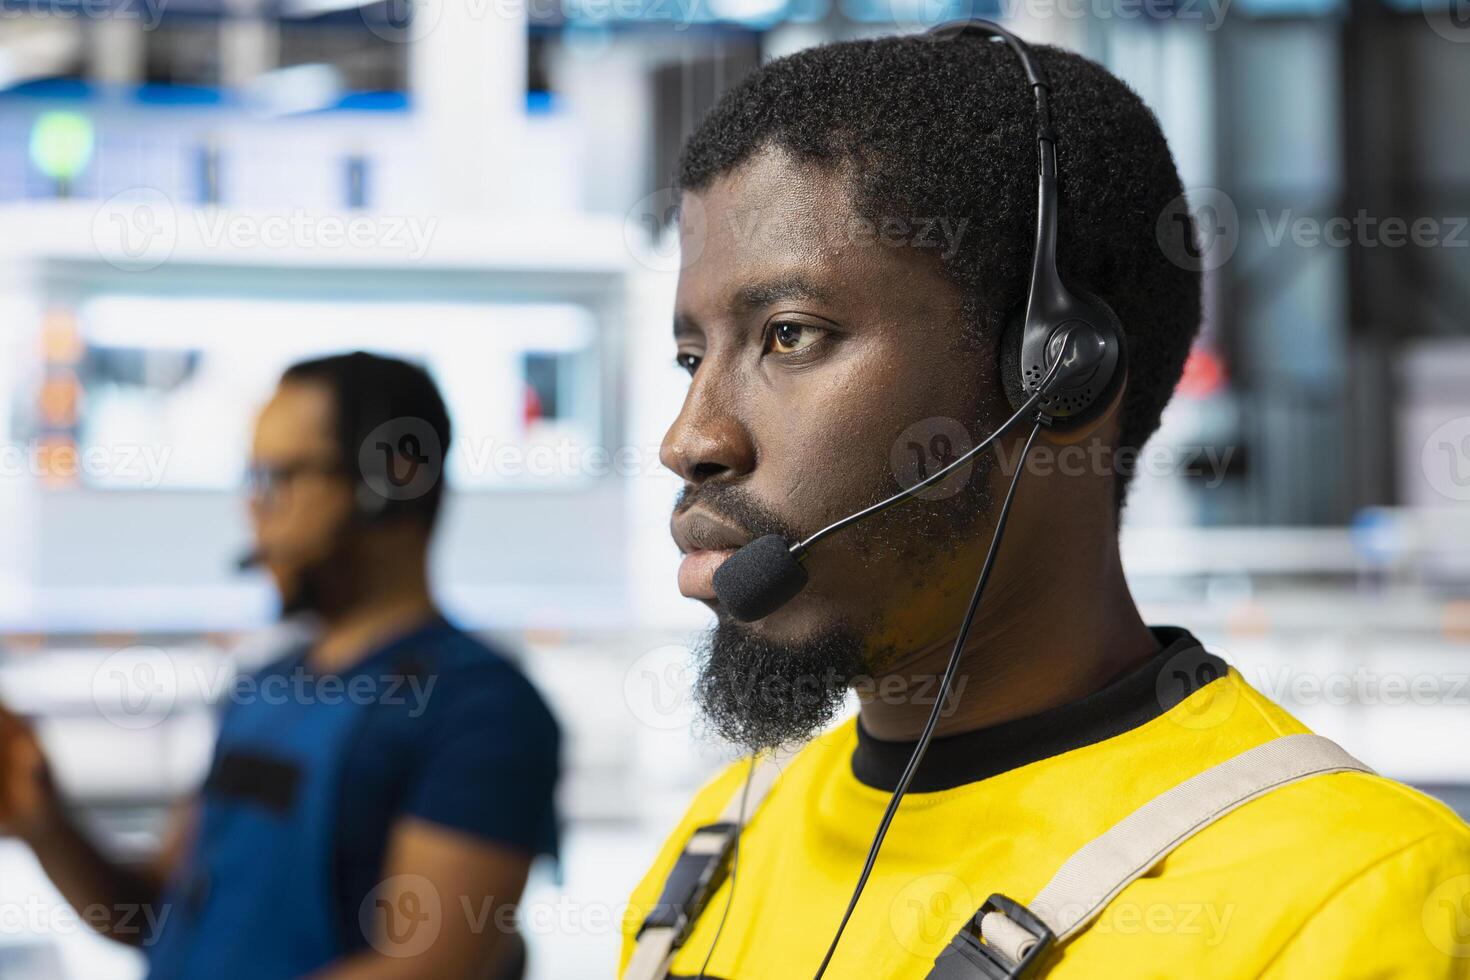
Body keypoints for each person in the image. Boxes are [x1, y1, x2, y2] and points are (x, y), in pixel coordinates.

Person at [618, 26, 1470, 979]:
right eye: (694, 358)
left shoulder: (1351, 899)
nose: (690, 441)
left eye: (788, 336)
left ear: (1054, 372)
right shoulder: (718, 845)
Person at [0, 351, 560, 979]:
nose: (254, 510)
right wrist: (42, 821)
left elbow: (422, 970)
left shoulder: (481, 710)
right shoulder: (264, 684)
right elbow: (157, 911)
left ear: (395, 477)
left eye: (280, 477)